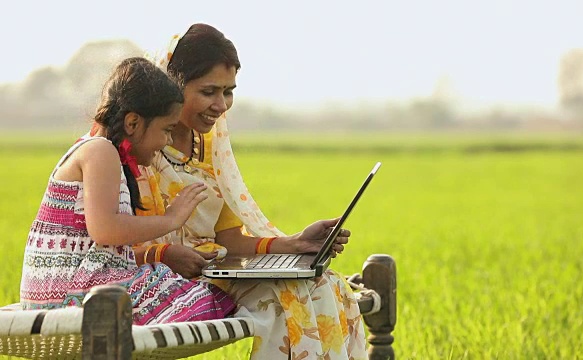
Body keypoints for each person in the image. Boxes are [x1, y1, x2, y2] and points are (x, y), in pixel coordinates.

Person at [134, 24, 368, 359]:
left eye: (228, 91)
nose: (221, 105)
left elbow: (228, 239)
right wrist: (164, 255)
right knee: (280, 301)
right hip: (162, 279)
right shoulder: (139, 145)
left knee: (324, 283)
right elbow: (111, 240)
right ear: (172, 83)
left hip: (214, 270)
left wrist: (296, 242)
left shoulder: (212, 147)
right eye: (208, 91)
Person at [19, 57, 236, 326]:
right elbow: (105, 229)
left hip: (80, 290)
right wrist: (171, 219)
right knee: (207, 301)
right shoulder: (100, 150)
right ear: (133, 123)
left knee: (188, 290)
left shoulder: (107, 155)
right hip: (70, 298)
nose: (168, 140)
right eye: (166, 130)